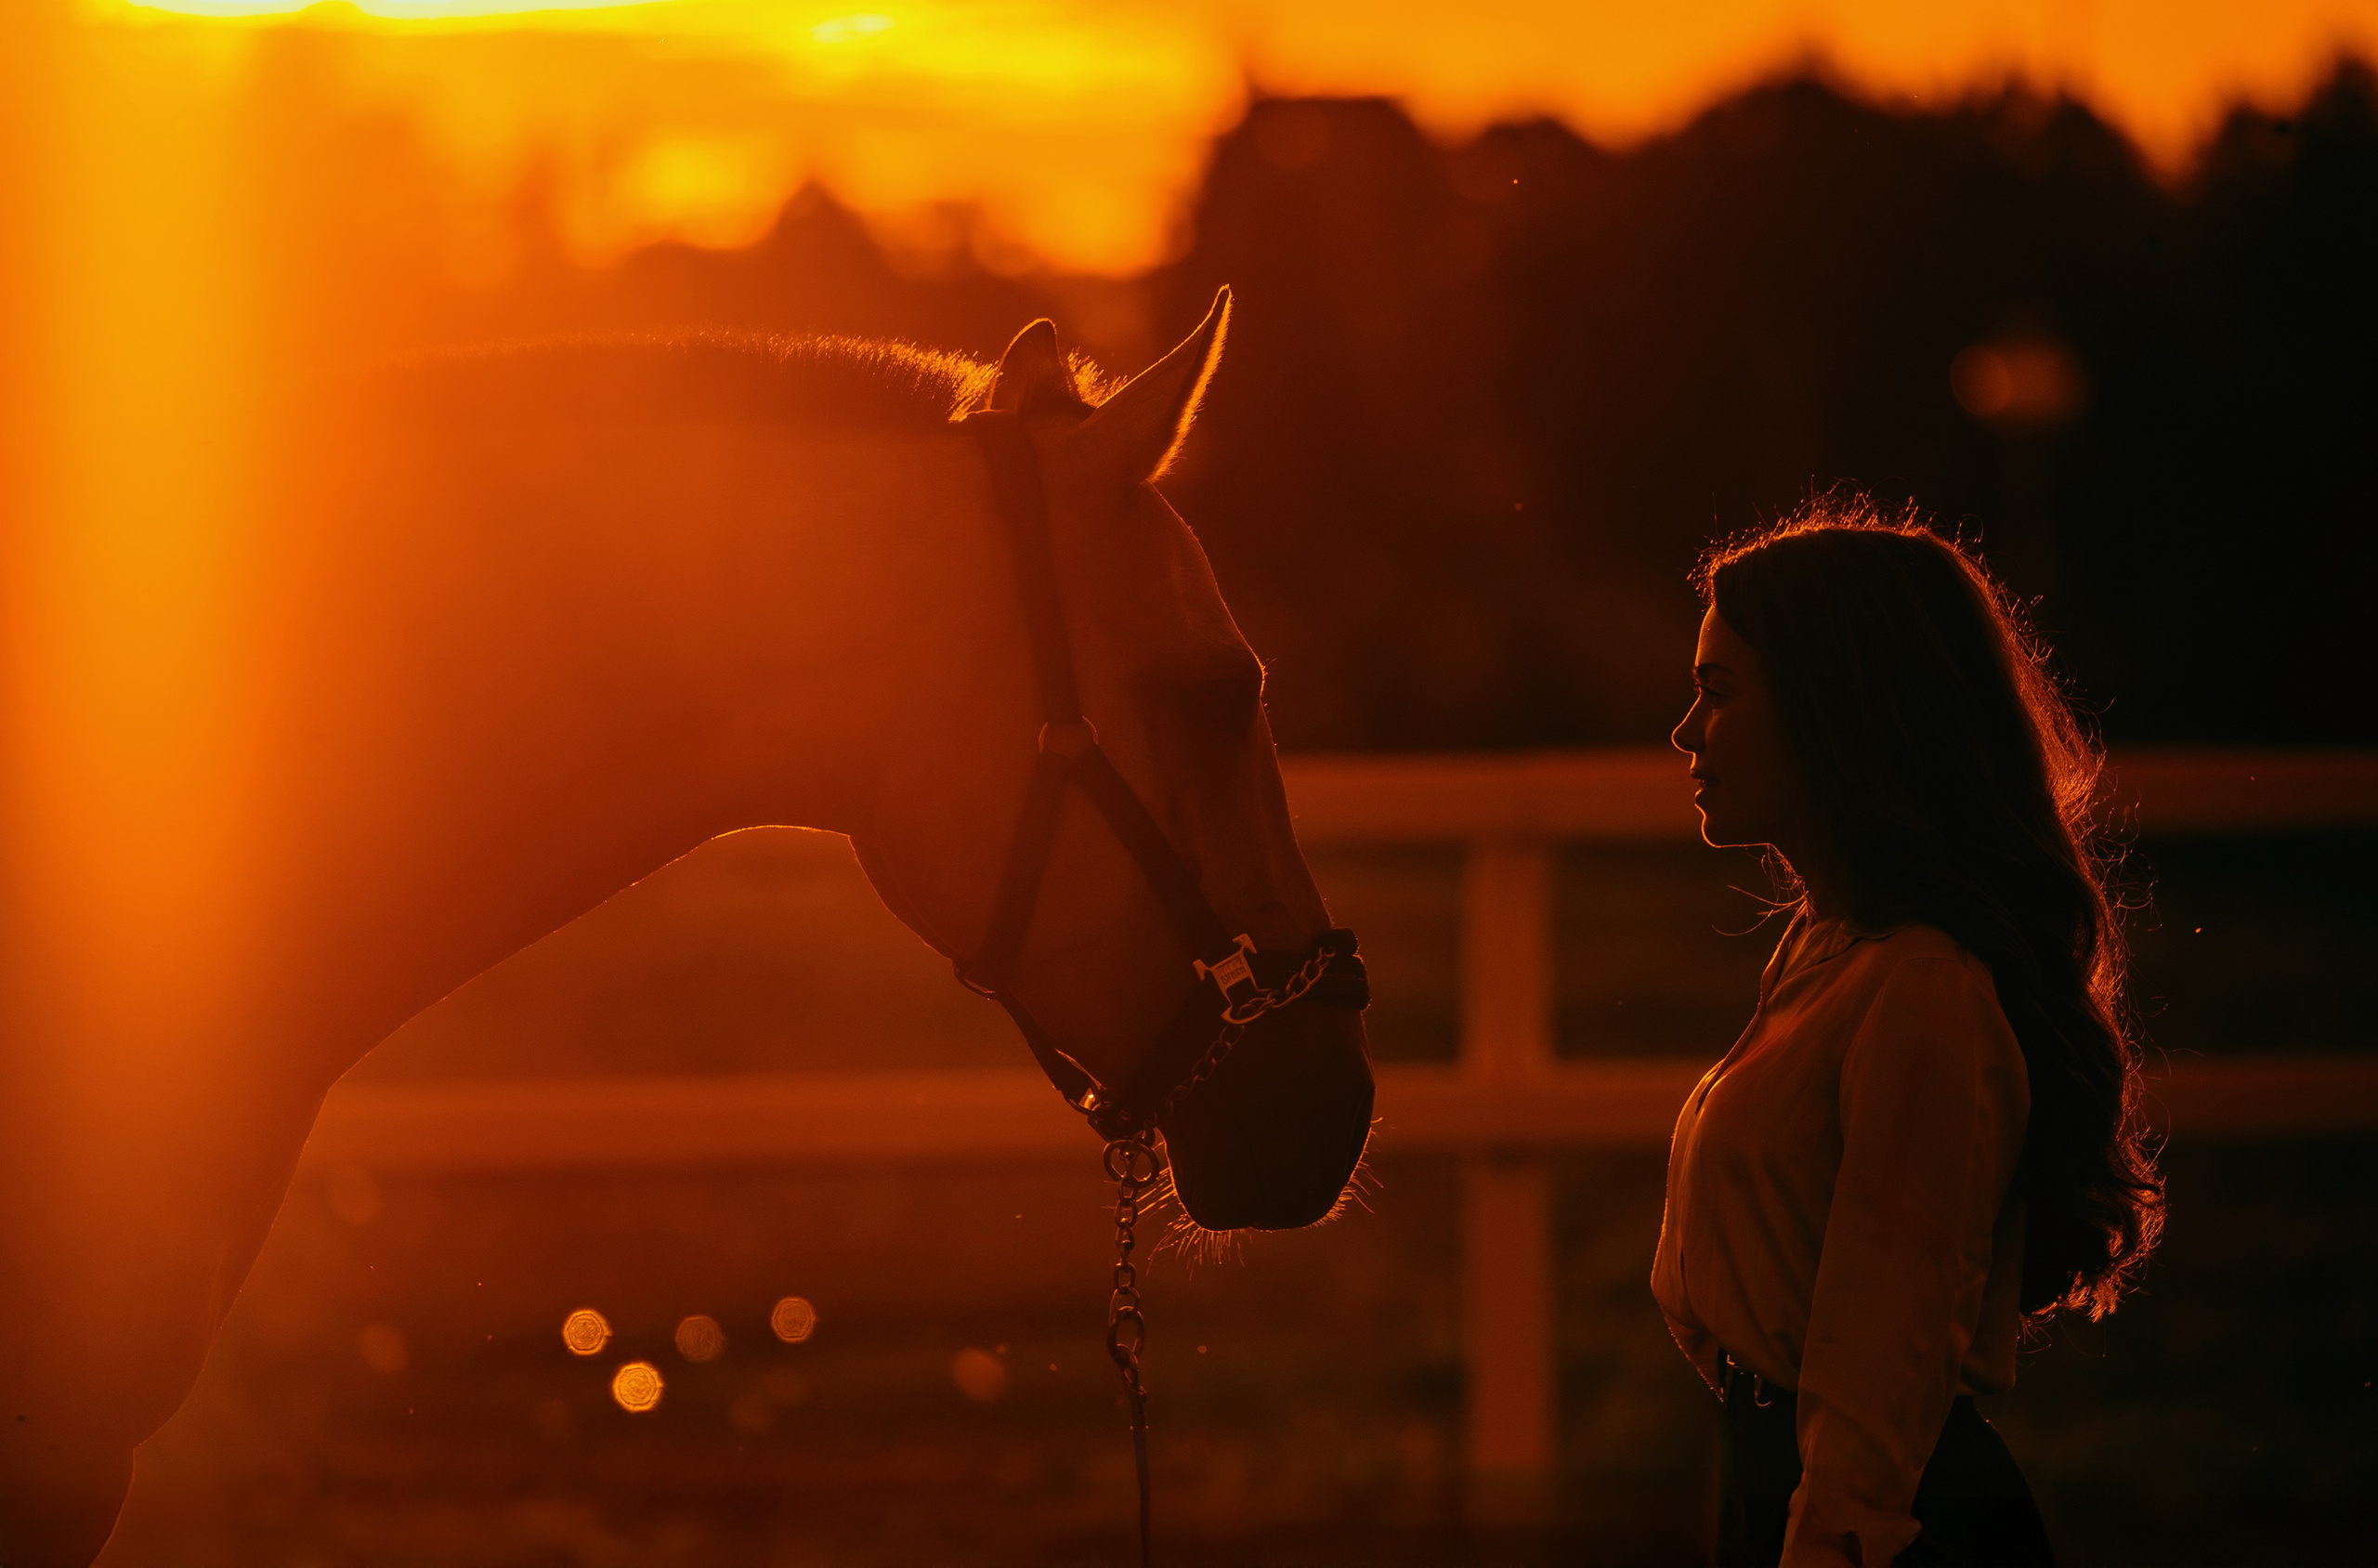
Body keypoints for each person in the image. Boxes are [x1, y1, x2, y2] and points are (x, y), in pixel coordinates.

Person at [1655, 503, 2164, 1568]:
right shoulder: (1823, 949)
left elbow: (1886, 1334)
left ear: (1834, 707)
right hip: (1772, 1473)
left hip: (1878, 1522)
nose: (1685, 730)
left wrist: (1827, 1532)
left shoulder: (1922, 990)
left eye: (1718, 689)